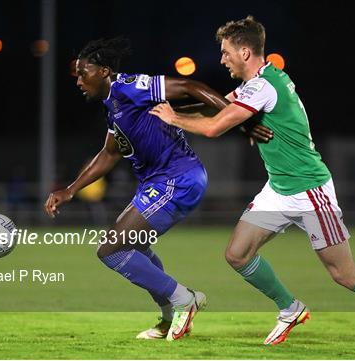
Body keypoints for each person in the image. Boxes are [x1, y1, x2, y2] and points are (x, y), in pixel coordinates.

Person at [150, 16, 355, 350]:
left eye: (226, 52)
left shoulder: (262, 86)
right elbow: (214, 108)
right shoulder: (256, 84)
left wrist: (172, 118)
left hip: (309, 190)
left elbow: (214, 127)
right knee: (237, 254)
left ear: (244, 51)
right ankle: (290, 308)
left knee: (343, 273)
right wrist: (164, 110)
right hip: (279, 189)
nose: (222, 59)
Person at [43, 37, 271, 341]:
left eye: (84, 73)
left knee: (111, 250)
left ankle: (183, 301)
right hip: (159, 182)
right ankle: (168, 317)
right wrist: (70, 189)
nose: (79, 81)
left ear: (104, 71)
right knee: (132, 248)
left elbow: (189, 87)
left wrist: (240, 120)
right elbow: (109, 153)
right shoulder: (113, 105)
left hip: (178, 179)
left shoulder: (130, 86)